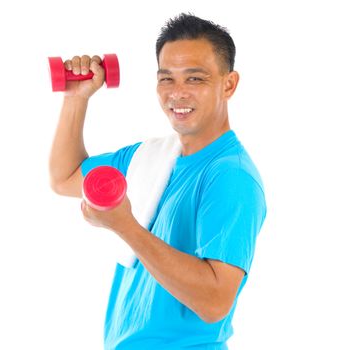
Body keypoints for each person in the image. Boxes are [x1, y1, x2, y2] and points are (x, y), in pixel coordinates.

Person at [49, 13, 266, 349]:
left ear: (228, 84)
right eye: (167, 79)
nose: (176, 94)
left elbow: (214, 303)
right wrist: (76, 98)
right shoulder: (151, 157)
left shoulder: (230, 175)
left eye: (195, 79)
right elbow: (64, 178)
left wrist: (125, 226)